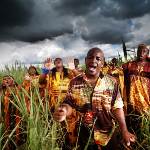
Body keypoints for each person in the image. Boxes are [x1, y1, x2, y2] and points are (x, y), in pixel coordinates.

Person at [53, 47, 135, 150]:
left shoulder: (111, 82)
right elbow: (69, 103)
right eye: (90, 57)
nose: (93, 60)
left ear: (102, 63)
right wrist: (64, 110)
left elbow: (117, 107)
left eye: (98, 58)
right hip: (84, 135)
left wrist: (124, 130)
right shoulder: (74, 82)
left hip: (107, 134)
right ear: (86, 60)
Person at [122, 44, 150, 139]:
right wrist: (124, 99)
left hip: (146, 101)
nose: (141, 53)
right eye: (139, 51)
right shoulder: (129, 65)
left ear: (147, 53)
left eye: (144, 51)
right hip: (132, 101)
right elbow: (125, 84)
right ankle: (132, 141)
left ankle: (144, 139)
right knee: (132, 121)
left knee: (145, 122)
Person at [0, 75, 21, 149]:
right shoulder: (1, 91)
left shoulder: (18, 89)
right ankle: (7, 145)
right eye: (4, 79)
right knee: (7, 132)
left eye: (9, 78)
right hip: (5, 116)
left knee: (17, 132)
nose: (6, 80)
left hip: (17, 115)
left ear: (13, 80)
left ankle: (16, 145)